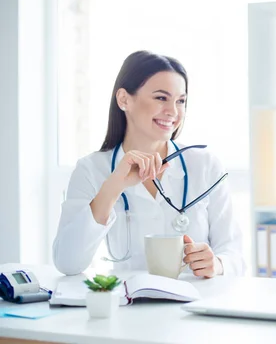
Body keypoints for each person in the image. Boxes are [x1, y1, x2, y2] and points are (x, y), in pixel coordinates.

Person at [53, 50, 244, 277]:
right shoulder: (91, 169)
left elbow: (235, 255)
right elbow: (67, 262)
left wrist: (218, 264)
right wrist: (113, 186)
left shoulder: (205, 165)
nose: (173, 112)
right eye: (161, 98)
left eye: (180, 101)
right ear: (124, 99)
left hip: (195, 305)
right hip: (131, 308)